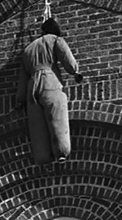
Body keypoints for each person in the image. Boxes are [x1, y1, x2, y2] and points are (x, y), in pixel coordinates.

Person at [15, 17, 82, 164]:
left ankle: (43, 157)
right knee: (57, 116)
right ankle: (61, 152)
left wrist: (19, 101)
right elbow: (67, 59)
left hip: (32, 87)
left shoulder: (28, 49)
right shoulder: (55, 40)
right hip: (49, 80)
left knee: (37, 123)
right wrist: (75, 72)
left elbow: (22, 78)